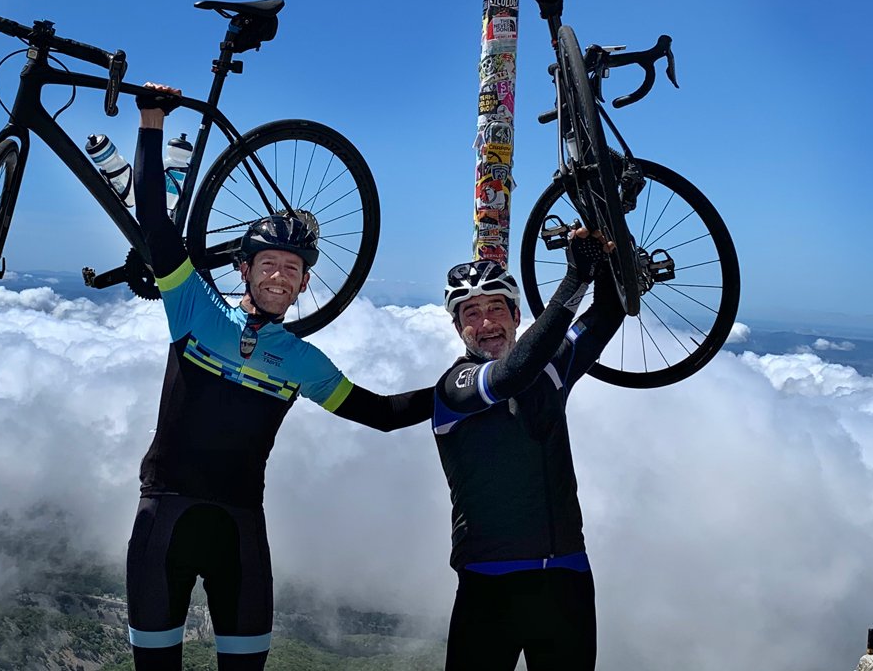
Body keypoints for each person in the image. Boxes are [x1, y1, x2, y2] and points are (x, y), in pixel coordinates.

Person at [126, 83, 431, 671]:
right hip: (164, 516)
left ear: (303, 283)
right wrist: (150, 121)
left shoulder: (302, 362)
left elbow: (382, 414)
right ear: (244, 269)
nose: (279, 277)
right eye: (268, 264)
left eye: (291, 269)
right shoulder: (193, 309)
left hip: (240, 528)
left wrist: (473, 385)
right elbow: (155, 224)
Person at [430, 230, 624, 671]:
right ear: (458, 328)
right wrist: (574, 278)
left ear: (517, 315)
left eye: (496, 307)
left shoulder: (551, 370)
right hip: (489, 588)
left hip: (568, 582)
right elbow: (511, 375)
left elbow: (609, 311)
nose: (486, 323)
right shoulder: (453, 390)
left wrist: (610, 240)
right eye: (471, 314)